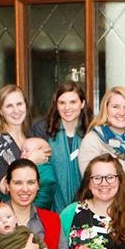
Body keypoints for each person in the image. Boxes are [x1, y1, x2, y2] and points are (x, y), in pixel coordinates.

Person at [0, 85, 51, 200]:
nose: (16, 110)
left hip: (35, 206)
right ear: (0, 111)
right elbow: (4, 187)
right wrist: (31, 160)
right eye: (9, 106)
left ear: (25, 106)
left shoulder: (31, 135)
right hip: (7, 209)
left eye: (19, 104)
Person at [32, 80, 90, 210]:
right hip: (50, 206)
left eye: (73, 102)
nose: (67, 107)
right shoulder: (42, 130)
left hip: (87, 205)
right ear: (56, 105)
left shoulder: (92, 131)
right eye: (62, 103)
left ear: (82, 103)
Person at [20, 137, 57, 209]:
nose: (23, 154)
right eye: (22, 151)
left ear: (42, 154)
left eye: (27, 151)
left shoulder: (46, 173)